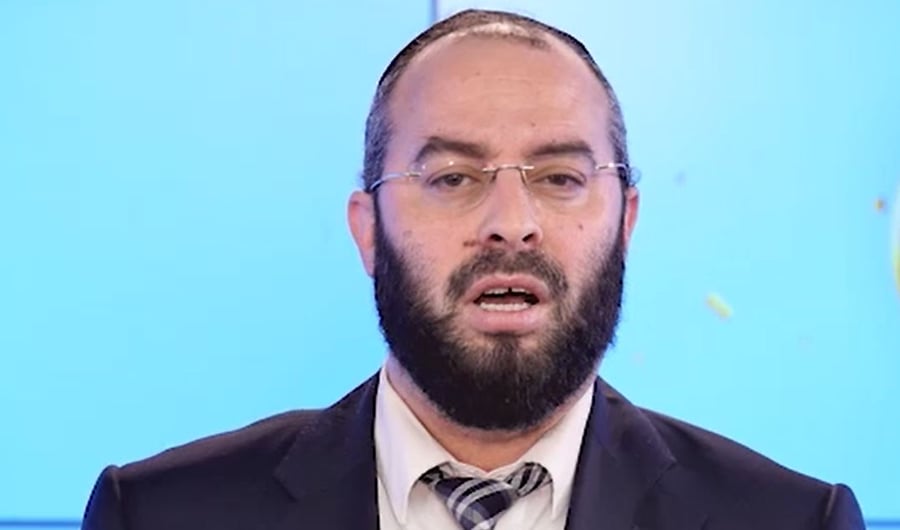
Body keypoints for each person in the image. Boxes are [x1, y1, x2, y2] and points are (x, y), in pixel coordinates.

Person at [81, 9, 865, 530]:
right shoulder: (158, 514)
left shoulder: (791, 521)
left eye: (560, 178)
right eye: (453, 177)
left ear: (626, 223)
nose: (511, 223)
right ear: (367, 230)